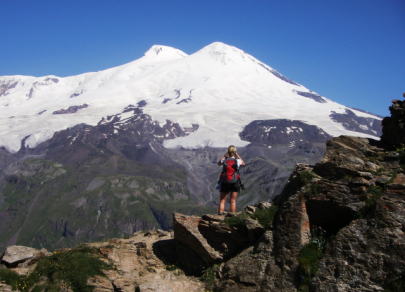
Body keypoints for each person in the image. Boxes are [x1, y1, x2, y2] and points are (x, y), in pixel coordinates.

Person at [217, 145, 245, 214]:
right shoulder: (237, 161)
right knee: (233, 201)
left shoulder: (225, 160)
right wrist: (237, 156)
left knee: (222, 201)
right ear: (235, 152)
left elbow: (219, 163)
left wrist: (225, 156)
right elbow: (243, 164)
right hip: (234, 182)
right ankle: (232, 216)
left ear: (228, 152)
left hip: (225, 182)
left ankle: (220, 216)